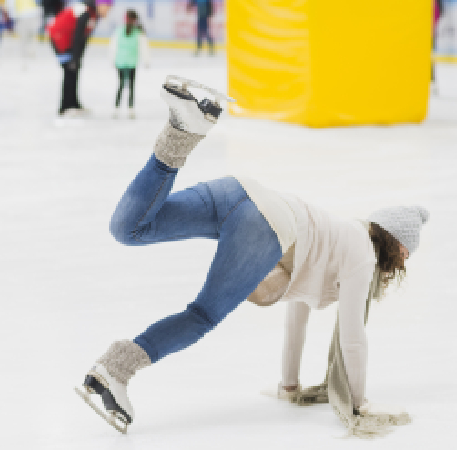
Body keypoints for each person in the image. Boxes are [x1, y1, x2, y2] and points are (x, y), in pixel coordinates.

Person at [75, 76, 429, 433]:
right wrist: (359, 402)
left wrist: (289, 386)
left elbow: (298, 315)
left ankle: (184, 129)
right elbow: (353, 334)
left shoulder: (338, 236)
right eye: (405, 250)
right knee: (202, 315)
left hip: (238, 190)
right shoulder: (362, 256)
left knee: (130, 229)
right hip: (265, 224)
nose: (405, 259)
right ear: (393, 240)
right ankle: (116, 369)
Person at [47, 0, 112, 116]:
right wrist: (75, 58)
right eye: (106, 7)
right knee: (69, 72)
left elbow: (83, 38)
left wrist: (78, 58)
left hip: (68, 41)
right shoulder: (86, 12)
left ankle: (73, 103)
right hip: (61, 39)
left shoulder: (93, 14)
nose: (108, 10)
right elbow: (77, 36)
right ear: (99, 5)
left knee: (74, 70)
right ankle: (64, 106)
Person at [108, 9, 149, 119]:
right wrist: (146, 61)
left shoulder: (120, 30)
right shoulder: (138, 32)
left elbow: (113, 47)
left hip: (121, 62)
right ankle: (130, 109)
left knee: (121, 85)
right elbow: (144, 48)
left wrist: (112, 60)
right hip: (130, 62)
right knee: (131, 85)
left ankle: (117, 108)